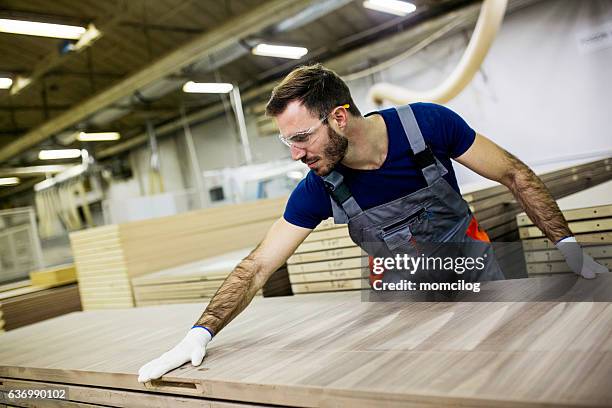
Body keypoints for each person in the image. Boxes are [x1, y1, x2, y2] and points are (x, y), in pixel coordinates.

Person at [137, 64, 608, 383]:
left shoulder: (427, 126)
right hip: (403, 302)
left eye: (301, 137)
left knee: (510, 371)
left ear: (340, 117)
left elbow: (513, 172)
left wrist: (567, 245)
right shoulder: (320, 185)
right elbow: (258, 267)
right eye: (288, 144)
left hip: (479, 279)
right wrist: (199, 333)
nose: (297, 155)